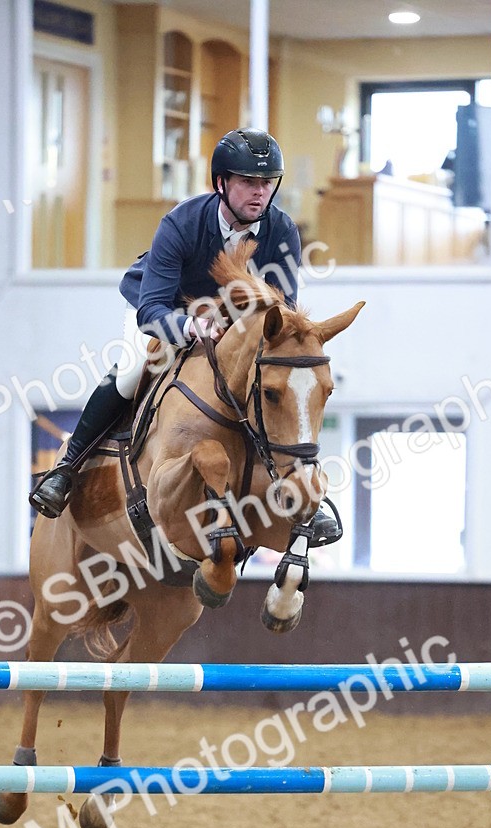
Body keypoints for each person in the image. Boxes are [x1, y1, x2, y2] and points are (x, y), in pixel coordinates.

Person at [29, 128, 339, 544]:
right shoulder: (182, 223)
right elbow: (151, 310)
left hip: (234, 327)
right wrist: (190, 326)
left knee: (275, 387)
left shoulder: (281, 230)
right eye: (248, 182)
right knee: (130, 372)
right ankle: (66, 468)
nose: (259, 193)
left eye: (267, 183)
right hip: (166, 310)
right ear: (221, 183)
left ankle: (303, 494)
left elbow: (281, 319)